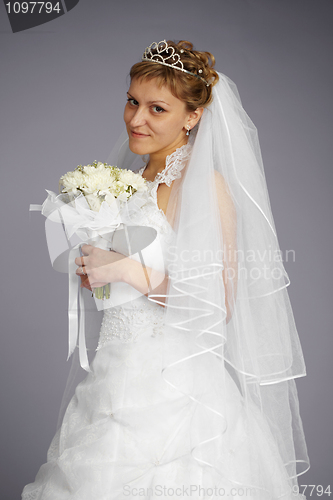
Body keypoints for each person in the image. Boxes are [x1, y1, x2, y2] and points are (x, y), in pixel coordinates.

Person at [22, 40, 309, 499]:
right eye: (133, 101)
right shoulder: (132, 183)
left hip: (174, 387)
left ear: (192, 117)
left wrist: (125, 270)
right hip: (114, 372)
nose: (137, 119)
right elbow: (128, 278)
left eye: (157, 108)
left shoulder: (202, 185)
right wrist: (98, 272)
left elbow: (218, 303)